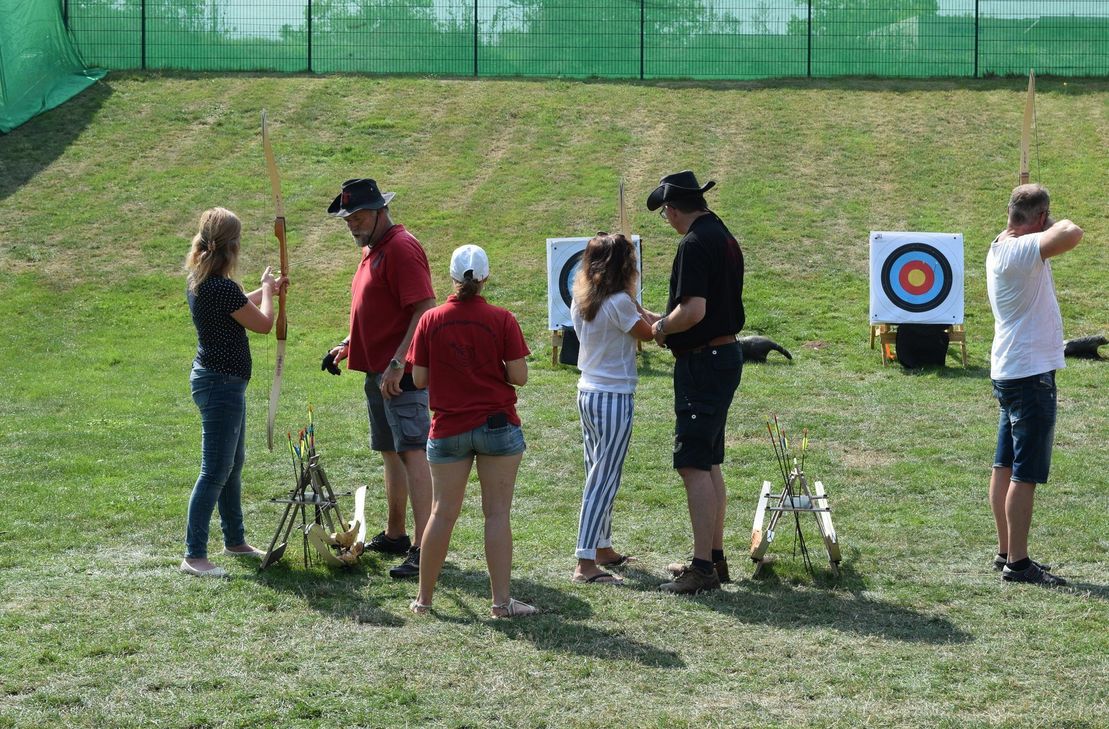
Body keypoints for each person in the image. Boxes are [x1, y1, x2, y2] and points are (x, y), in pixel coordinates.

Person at [408, 245, 537, 618]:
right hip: (497, 426)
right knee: (496, 514)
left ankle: (424, 601)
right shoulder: (502, 319)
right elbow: (519, 377)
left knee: (441, 513)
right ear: (485, 279)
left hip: (448, 427)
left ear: (450, 278)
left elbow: (418, 379)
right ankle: (500, 604)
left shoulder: (430, 320)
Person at [324, 178, 435, 579]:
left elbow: (424, 308)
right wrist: (348, 344)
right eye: (347, 219)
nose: (352, 225)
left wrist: (399, 361)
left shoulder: (401, 248)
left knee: (412, 452)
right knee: (391, 451)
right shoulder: (375, 248)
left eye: (359, 217)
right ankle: (396, 535)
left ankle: (426, 546)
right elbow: (378, 310)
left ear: (380, 212)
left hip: (398, 373)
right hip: (379, 370)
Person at [643, 170, 745, 595]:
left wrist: (661, 327)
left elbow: (694, 311)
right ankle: (714, 558)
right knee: (708, 461)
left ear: (671, 209)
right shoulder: (718, 232)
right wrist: (661, 320)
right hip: (720, 355)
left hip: (704, 361)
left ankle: (702, 568)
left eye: (664, 211)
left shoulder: (694, 243)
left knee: (692, 464)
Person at [182, 207, 288, 577]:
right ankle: (194, 555)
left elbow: (238, 303)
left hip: (220, 383)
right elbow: (262, 323)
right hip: (220, 385)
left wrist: (267, 288)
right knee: (215, 471)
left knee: (232, 466)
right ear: (231, 247)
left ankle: (234, 540)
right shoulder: (221, 288)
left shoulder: (202, 282)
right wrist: (271, 297)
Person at [986, 183, 1083, 587]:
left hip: (1013, 370)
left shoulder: (1000, 245)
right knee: (1024, 471)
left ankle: (1006, 550)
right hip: (1028, 375)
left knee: (1004, 463)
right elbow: (1072, 232)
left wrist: (1037, 219)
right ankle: (1019, 564)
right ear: (1040, 219)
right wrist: (1050, 223)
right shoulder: (1020, 251)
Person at [570, 233, 655, 584]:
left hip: (588, 391)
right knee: (602, 480)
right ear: (624, 266)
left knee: (598, 471)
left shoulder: (582, 299)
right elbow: (648, 334)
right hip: (613, 396)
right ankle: (585, 562)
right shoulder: (619, 302)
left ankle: (602, 546)